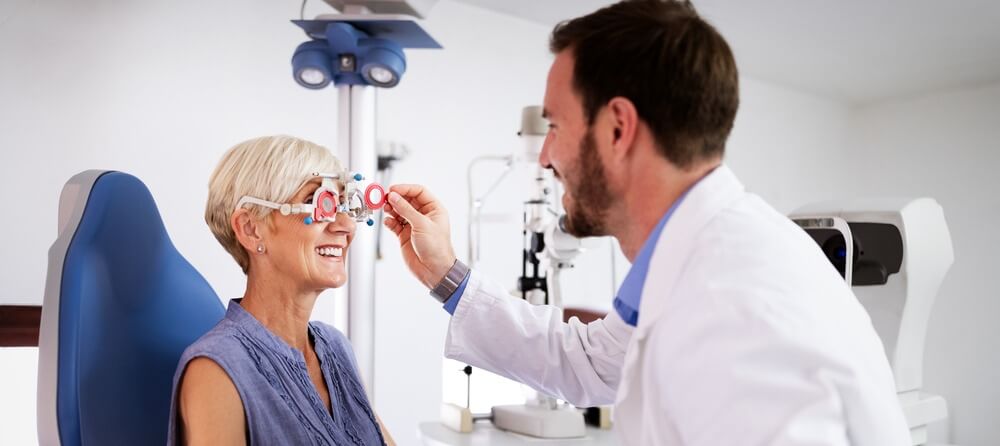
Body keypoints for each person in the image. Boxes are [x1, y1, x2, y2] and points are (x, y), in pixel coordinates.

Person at [382, 1, 911, 444]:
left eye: (555, 126)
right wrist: (444, 274)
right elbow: (589, 362)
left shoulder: (738, 309)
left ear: (618, 129)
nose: (544, 156)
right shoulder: (689, 260)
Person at [167, 135, 395, 445]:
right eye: (321, 202)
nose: (346, 226)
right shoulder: (216, 370)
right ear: (251, 228)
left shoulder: (335, 347)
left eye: (343, 205)